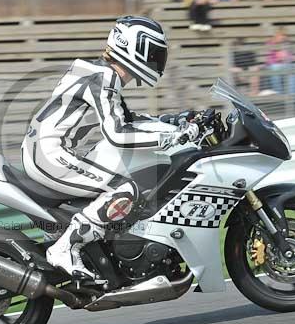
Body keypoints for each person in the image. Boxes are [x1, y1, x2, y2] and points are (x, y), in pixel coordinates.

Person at [22, 16, 199, 278]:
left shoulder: (101, 75)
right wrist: (173, 138)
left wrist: (173, 121)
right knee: (126, 189)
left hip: (47, 151)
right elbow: (119, 134)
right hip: (49, 156)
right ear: (132, 48)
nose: (157, 61)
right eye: (153, 53)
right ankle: (65, 248)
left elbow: (126, 120)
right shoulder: (103, 78)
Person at [262, 28, 295, 95]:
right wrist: (278, 59)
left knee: (294, 67)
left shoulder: (287, 43)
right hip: (274, 65)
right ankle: (278, 93)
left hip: (286, 64)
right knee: (275, 68)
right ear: (276, 35)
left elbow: (292, 58)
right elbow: (269, 60)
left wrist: (286, 58)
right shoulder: (270, 43)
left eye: (285, 35)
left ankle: (293, 94)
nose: (283, 37)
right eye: (281, 35)